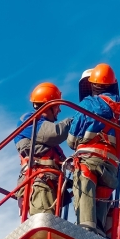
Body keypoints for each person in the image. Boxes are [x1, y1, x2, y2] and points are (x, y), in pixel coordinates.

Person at [68, 64, 120, 235]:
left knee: (84, 190)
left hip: (88, 161)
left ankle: (86, 229)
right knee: (103, 196)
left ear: (93, 85)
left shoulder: (88, 104)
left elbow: (71, 141)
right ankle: (100, 230)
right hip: (112, 167)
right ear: (113, 84)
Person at [14, 82, 73, 216]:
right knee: (44, 230)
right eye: (57, 106)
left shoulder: (48, 144)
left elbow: (58, 162)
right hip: (40, 183)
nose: (60, 110)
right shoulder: (30, 121)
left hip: (49, 185)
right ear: (49, 105)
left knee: (50, 229)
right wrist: (76, 120)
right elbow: (55, 133)